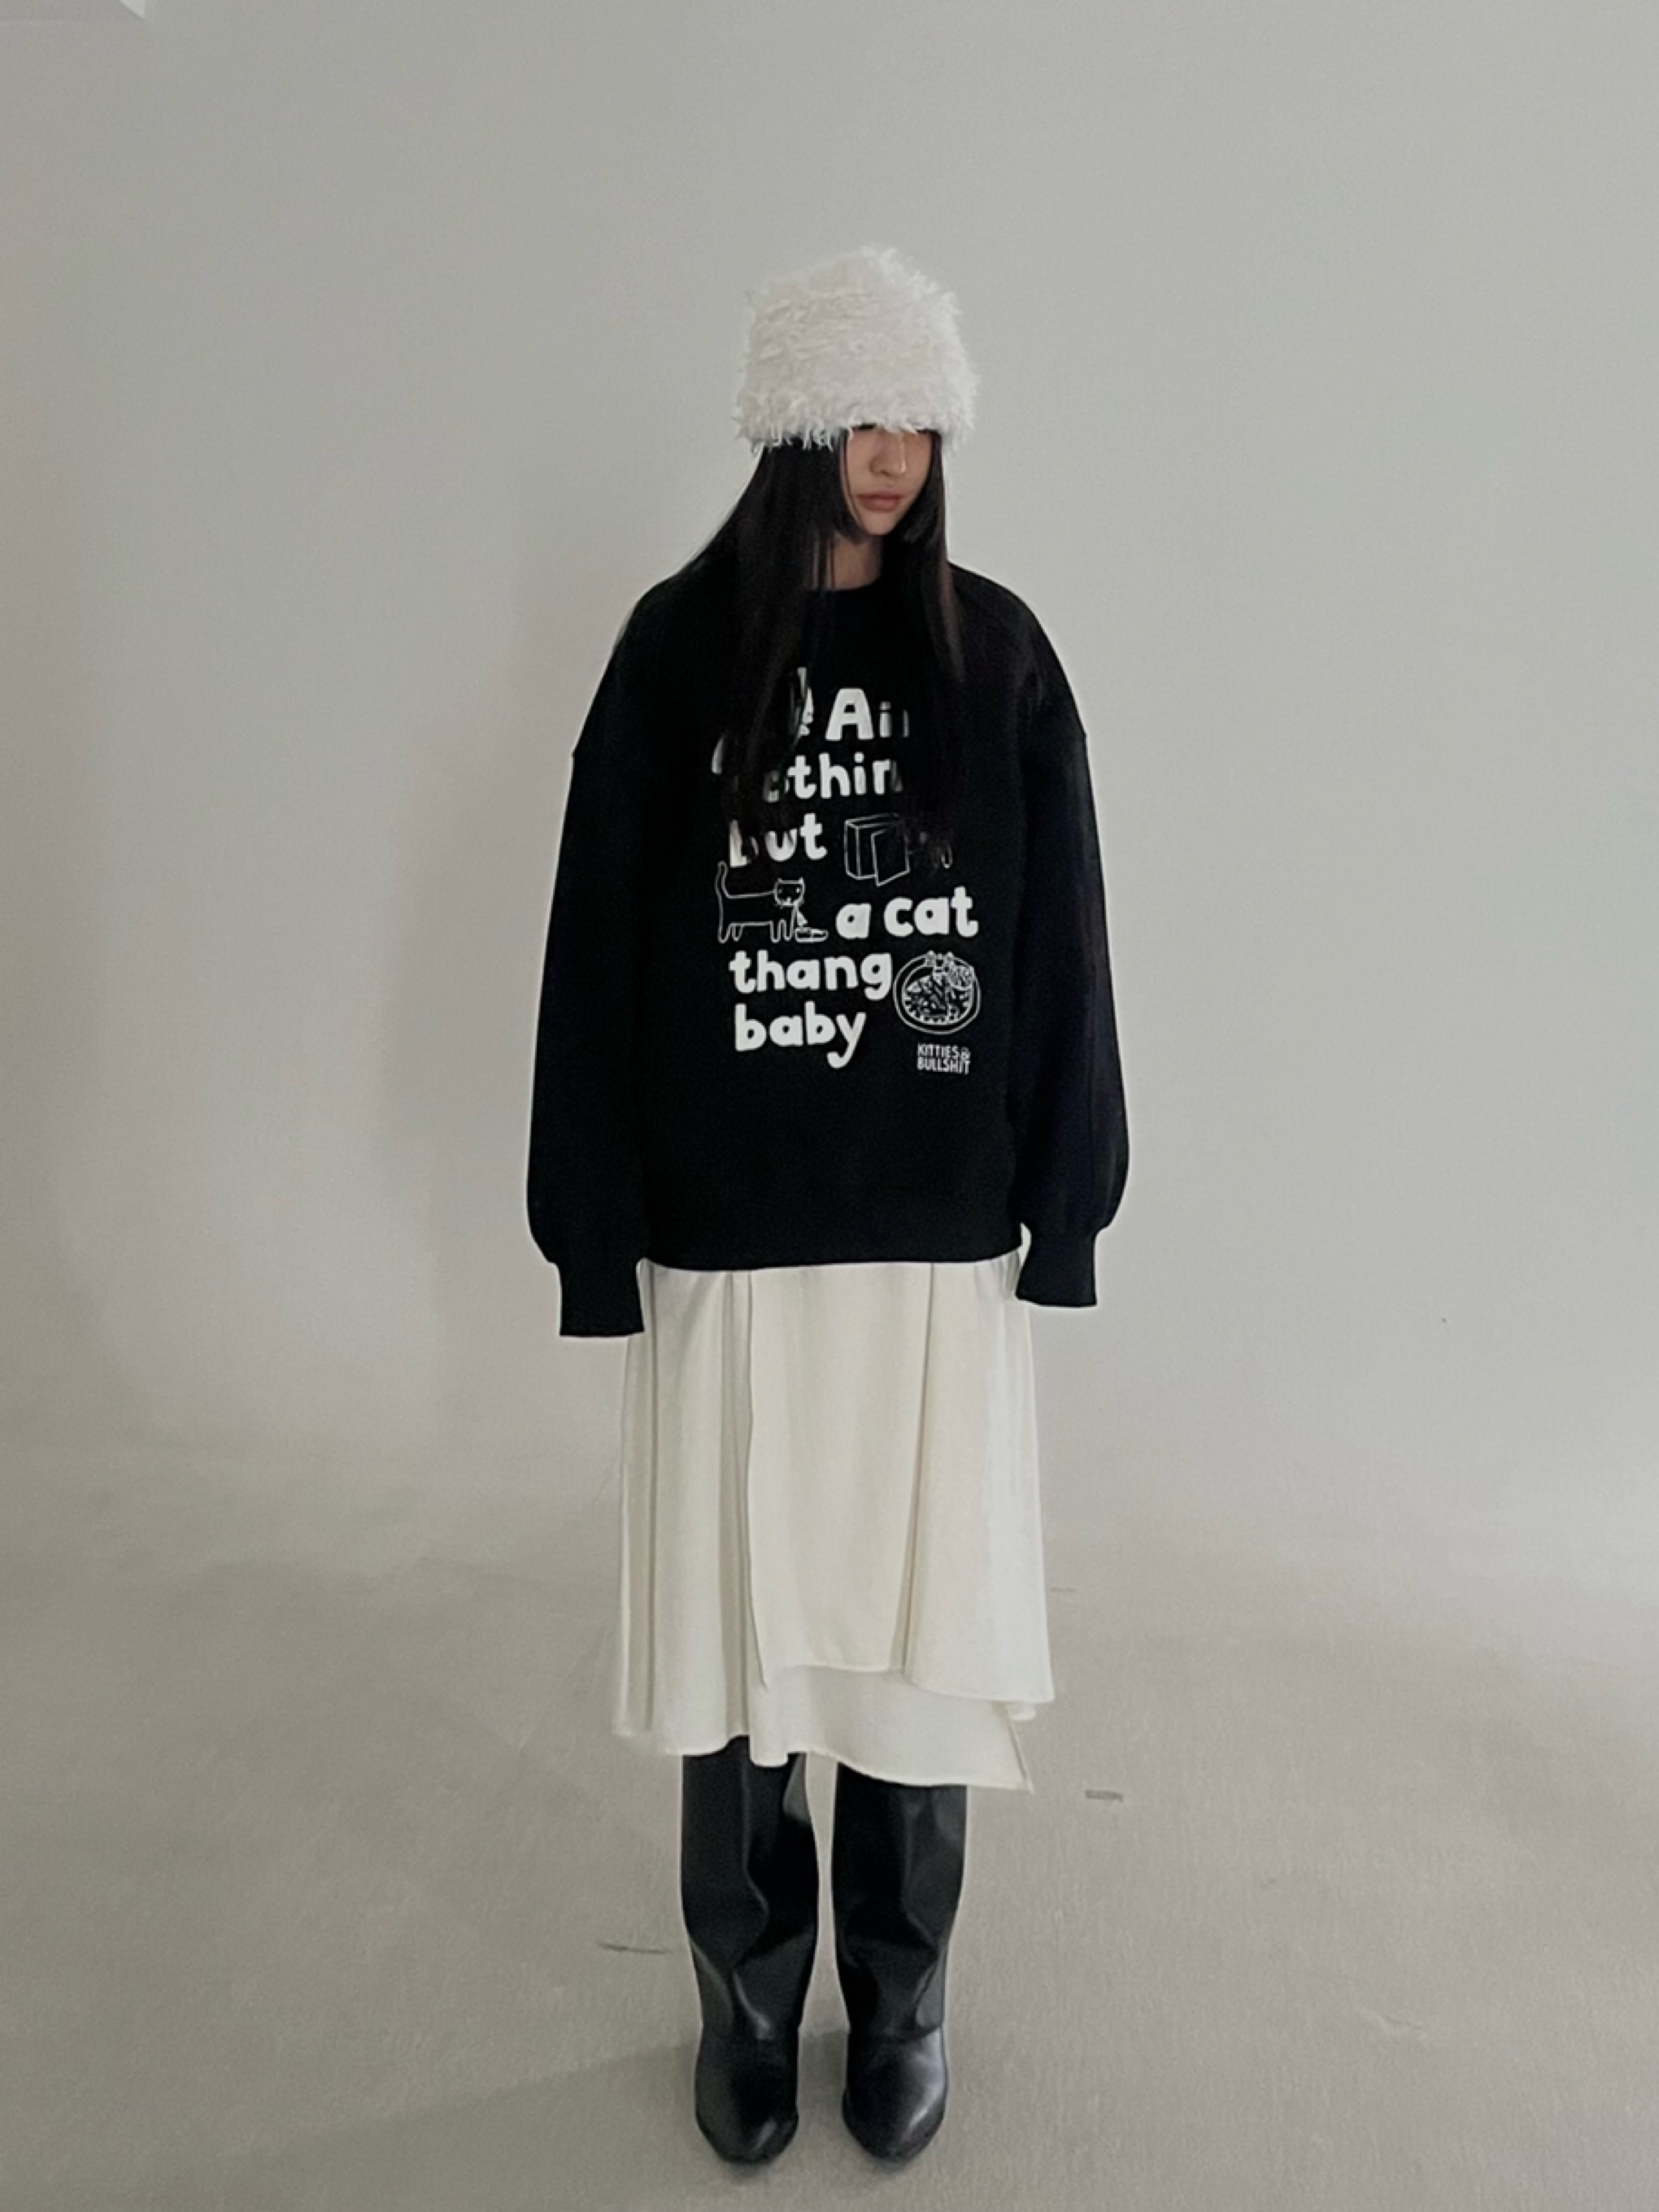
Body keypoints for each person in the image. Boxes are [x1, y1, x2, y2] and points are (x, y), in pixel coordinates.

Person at [525, 242, 1130, 2169]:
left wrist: (1067, 1196)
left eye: (920, 421)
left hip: (929, 1237)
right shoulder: (677, 650)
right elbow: (599, 950)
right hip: (731, 1231)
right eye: (863, 416)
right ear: (793, 425)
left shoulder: (996, 656)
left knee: (908, 1638)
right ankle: (744, 1992)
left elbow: (1059, 946)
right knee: (743, 1639)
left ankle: (905, 1990)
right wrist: (592, 1221)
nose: (894, 455)